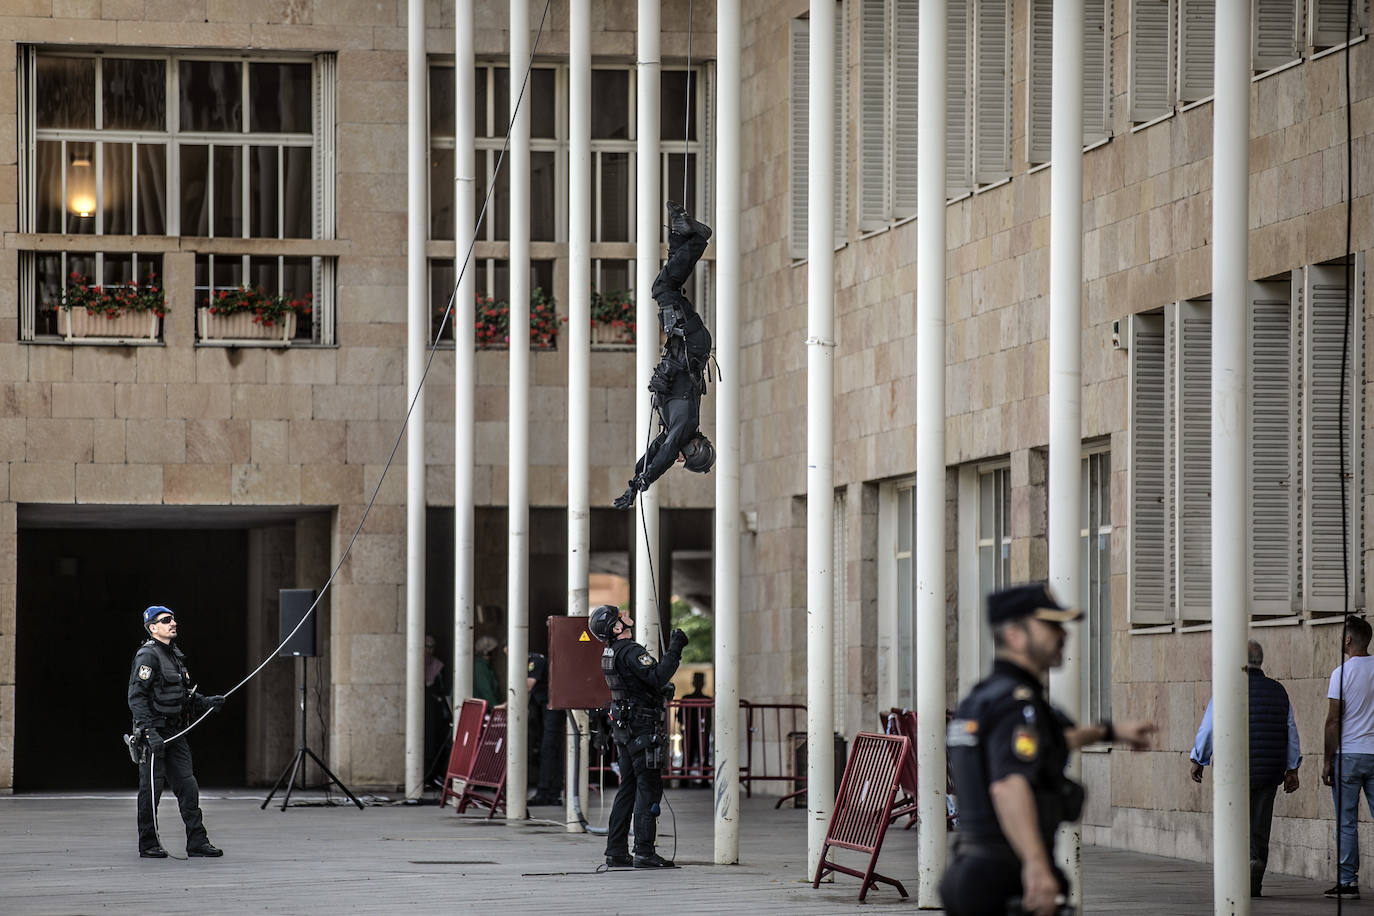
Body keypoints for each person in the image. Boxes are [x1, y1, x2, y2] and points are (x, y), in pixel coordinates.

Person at [940, 584, 1156, 916]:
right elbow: (1009, 784)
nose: (1063, 635)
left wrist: (1111, 731)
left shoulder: (983, 698)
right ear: (1014, 635)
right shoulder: (1015, 704)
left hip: (973, 868)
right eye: (1051, 626)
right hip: (1005, 876)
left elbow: (1046, 743)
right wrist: (1037, 867)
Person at [613, 202, 715, 510]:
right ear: (693, 448)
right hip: (691, 343)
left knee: (668, 285)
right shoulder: (683, 426)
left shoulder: (674, 430)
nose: (679, 458)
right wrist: (640, 487)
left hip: (684, 344)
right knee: (663, 289)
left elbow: (653, 456)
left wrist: (635, 482)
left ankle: (679, 230)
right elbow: (667, 454)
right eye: (685, 457)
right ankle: (697, 239)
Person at [1188, 639, 1301, 897]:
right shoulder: (1278, 691)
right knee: (1259, 830)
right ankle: (1253, 882)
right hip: (1269, 772)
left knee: (1233, 828)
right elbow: (1291, 732)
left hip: (1234, 772)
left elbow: (1208, 729)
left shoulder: (1227, 689)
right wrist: (1292, 769)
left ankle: (1233, 882)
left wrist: (1198, 759)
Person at [587, 604, 689, 868]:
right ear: (617, 627)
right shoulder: (631, 650)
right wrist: (676, 648)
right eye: (620, 616)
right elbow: (656, 675)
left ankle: (616, 851)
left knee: (628, 787)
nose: (626, 615)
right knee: (649, 787)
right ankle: (644, 850)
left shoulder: (610, 652)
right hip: (642, 727)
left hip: (625, 728)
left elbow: (636, 683)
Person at [127, 605, 226, 859]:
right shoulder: (147, 656)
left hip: (175, 733)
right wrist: (149, 733)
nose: (173, 623)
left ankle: (197, 842)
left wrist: (206, 702)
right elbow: (136, 697)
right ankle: (148, 844)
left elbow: (182, 695)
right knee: (151, 791)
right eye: (166, 620)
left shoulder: (174, 656)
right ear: (152, 628)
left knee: (188, 787)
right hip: (154, 735)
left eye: (173, 619)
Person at [1323, 615, 1374, 899]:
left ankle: (1348, 882)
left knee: (1346, 821)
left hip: (1349, 756)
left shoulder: (1340, 673)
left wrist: (1326, 761)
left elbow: (1333, 721)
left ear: (1347, 639)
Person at [527, 651, 565, 806]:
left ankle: (546, 792)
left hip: (552, 706)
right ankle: (552, 792)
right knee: (552, 747)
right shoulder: (533, 661)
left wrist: (509, 703)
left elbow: (528, 685)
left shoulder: (535, 661)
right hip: (547, 707)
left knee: (549, 748)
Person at [423, 634, 452, 788]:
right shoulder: (416, 663)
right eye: (426, 646)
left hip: (434, 709)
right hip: (421, 708)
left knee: (434, 741)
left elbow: (441, 687)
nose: (428, 650)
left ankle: (433, 775)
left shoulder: (437, 666)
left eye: (431, 647)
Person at [677, 671, 711, 785]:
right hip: (690, 733)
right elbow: (680, 716)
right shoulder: (686, 698)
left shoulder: (707, 699)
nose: (698, 683)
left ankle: (703, 780)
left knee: (703, 757)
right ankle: (684, 780)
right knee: (688, 756)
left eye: (700, 681)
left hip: (701, 732)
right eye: (697, 681)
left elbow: (709, 718)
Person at [472, 635, 501, 707]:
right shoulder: (479, 667)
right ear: (488, 652)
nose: (497, 654)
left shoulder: (484, 666)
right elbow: (485, 691)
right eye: (495, 651)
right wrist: (496, 708)